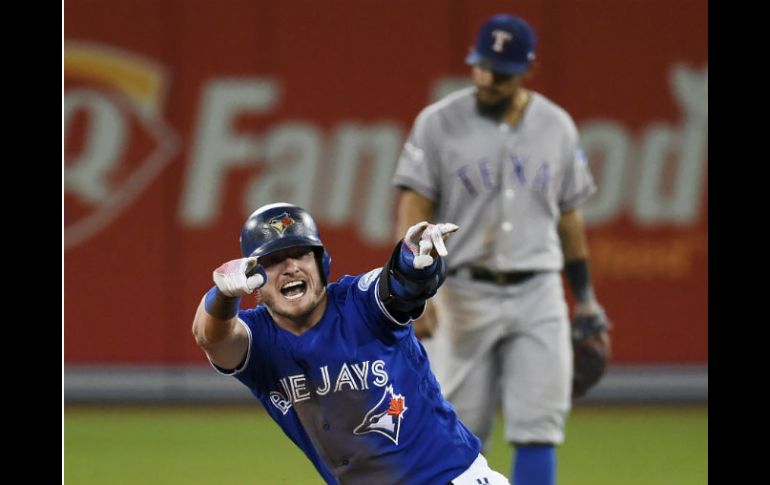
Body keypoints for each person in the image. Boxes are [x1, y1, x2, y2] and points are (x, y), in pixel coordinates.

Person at [392, 13, 610, 485]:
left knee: (539, 426)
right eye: (482, 65)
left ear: (527, 70)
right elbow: (413, 204)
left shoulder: (556, 126)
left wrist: (586, 297)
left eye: (501, 70)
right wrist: (414, 288)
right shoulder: (438, 123)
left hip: (538, 293)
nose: (487, 78)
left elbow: (570, 218)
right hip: (461, 294)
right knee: (456, 430)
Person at [192, 202, 510, 485]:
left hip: (452, 477)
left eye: (301, 253)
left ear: (322, 263)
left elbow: (397, 287)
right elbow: (210, 337)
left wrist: (413, 261)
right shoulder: (259, 340)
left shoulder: (358, 303)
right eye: (274, 259)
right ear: (253, 276)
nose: (290, 267)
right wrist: (222, 296)